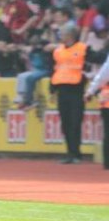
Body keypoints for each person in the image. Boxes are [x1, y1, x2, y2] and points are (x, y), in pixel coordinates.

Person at [48, 24, 89, 164]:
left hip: (76, 90)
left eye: (63, 34)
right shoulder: (58, 51)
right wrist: (52, 89)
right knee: (65, 123)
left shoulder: (83, 48)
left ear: (71, 35)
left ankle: (76, 153)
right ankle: (69, 153)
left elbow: (94, 60)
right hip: (62, 90)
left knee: (75, 122)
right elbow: (55, 69)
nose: (61, 36)